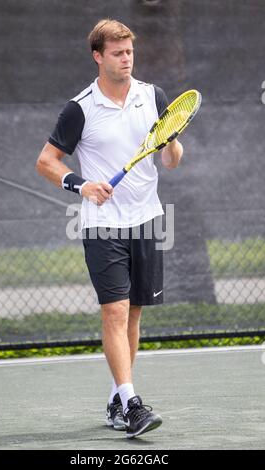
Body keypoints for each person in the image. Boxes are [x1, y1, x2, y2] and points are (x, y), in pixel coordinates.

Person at [36, 19, 183, 439]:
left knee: (133, 312)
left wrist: (170, 140)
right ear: (98, 56)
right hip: (103, 226)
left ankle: (119, 398)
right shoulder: (80, 108)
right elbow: (46, 161)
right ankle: (134, 406)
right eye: (117, 52)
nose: (126, 59)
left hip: (147, 218)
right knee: (115, 310)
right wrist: (81, 185)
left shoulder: (153, 96)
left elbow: (171, 162)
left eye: (130, 52)